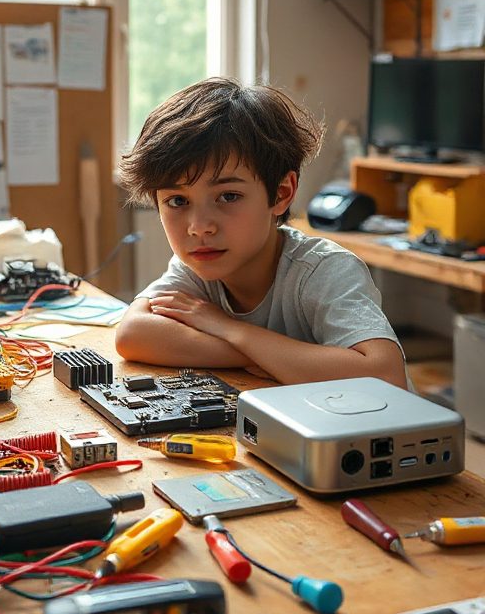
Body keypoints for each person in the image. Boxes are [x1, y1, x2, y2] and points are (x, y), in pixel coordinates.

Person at [116, 77, 407, 389]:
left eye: (228, 196)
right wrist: (256, 355)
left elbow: (385, 375)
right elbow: (133, 334)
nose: (199, 227)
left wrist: (229, 329)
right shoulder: (196, 266)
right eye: (177, 201)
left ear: (281, 194)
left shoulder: (323, 270)